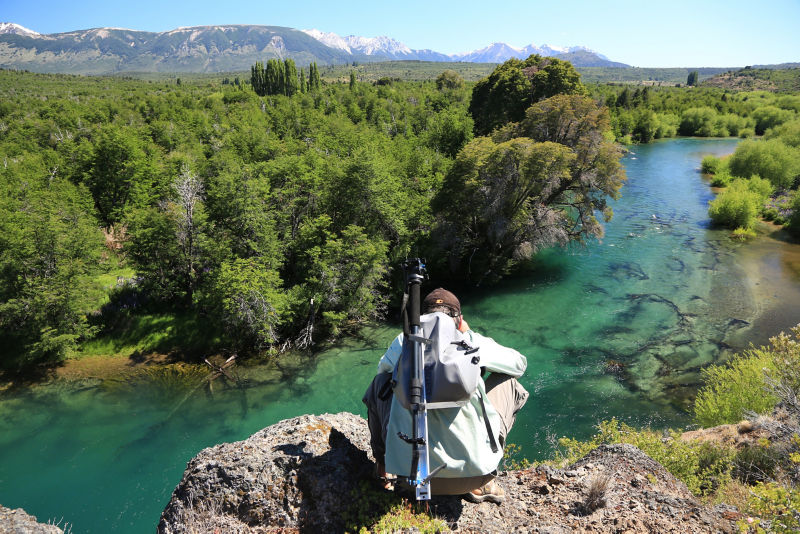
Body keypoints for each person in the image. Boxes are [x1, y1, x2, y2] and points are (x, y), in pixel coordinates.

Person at [363, 288, 529, 504]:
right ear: (458, 320)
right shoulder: (471, 341)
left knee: (380, 384)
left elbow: (382, 371)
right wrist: (474, 360)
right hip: (475, 474)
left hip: (411, 477)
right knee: (509, 382)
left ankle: (384, 470)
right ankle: (485, 482)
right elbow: (519, 364)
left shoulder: (404, 341)